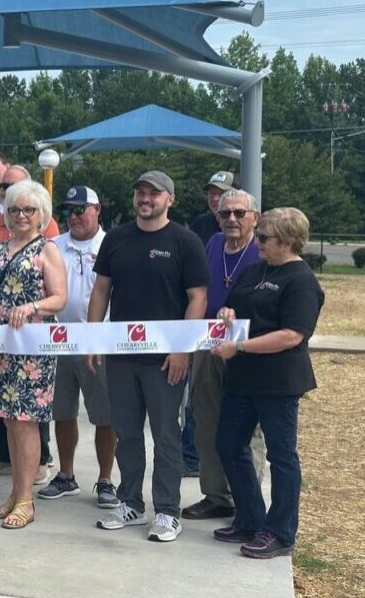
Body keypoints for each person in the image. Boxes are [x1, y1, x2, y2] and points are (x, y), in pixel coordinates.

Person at [88, 170, 209, 542]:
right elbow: (101, 291)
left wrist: (181, 349)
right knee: (126, 434)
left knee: (166, 435)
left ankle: (168, 511)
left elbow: (198, 298)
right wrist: (94, 339)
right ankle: (131, 504)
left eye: (153, 194)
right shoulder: (117, 238)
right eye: (140, 192)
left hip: (164, 360)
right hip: (121, 358)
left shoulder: (184, 241)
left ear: (169, 199)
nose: (145, 199)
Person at [211, 208, 323, 558]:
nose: (256, 242)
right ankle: (249, 518)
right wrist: (225, 313)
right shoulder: (255, 269)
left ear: (288, 241)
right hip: (242, 378)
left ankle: (280, 533)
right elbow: (231, 305)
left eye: (263, 238)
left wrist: (240, 346)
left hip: (278, 382)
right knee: (228, 444)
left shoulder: (301, 280)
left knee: (282, 456)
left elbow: (292, 335)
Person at [0, 180, 66, 528]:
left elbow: (60, 298)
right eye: (14, 209)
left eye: (28, 209)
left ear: (41, 214)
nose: (21, 215)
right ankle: (16, 492)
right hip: (0, 349)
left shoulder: (48, 250)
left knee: (26, 421)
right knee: (9, 422)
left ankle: (26, 500)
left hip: (33, 350)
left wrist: (31, 307)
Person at [183, 189, 265, 521]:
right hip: (208, 344)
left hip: (248, 349)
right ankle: (216, 494)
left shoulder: (263, 249)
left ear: (254, 218)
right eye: (225, 213)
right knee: (206, 423)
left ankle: (247, 498)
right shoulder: (214, 243)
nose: (231, 219)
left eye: (239, 213)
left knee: (247, 427)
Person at [38, 186, 119, 508]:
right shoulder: (53, 246)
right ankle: (67, 475)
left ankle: (104, 479)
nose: (73, 216)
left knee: (104, 415)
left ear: (97, 210)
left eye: (80, 209)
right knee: (63, 412)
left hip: (100, 341)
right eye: (68, 210)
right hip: (60, 339)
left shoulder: (113, 245)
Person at [189, 171, 237, 246]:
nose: (215, 199)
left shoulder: (243, 225)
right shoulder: (199, 224)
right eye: (212, 193)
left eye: (221, 194)